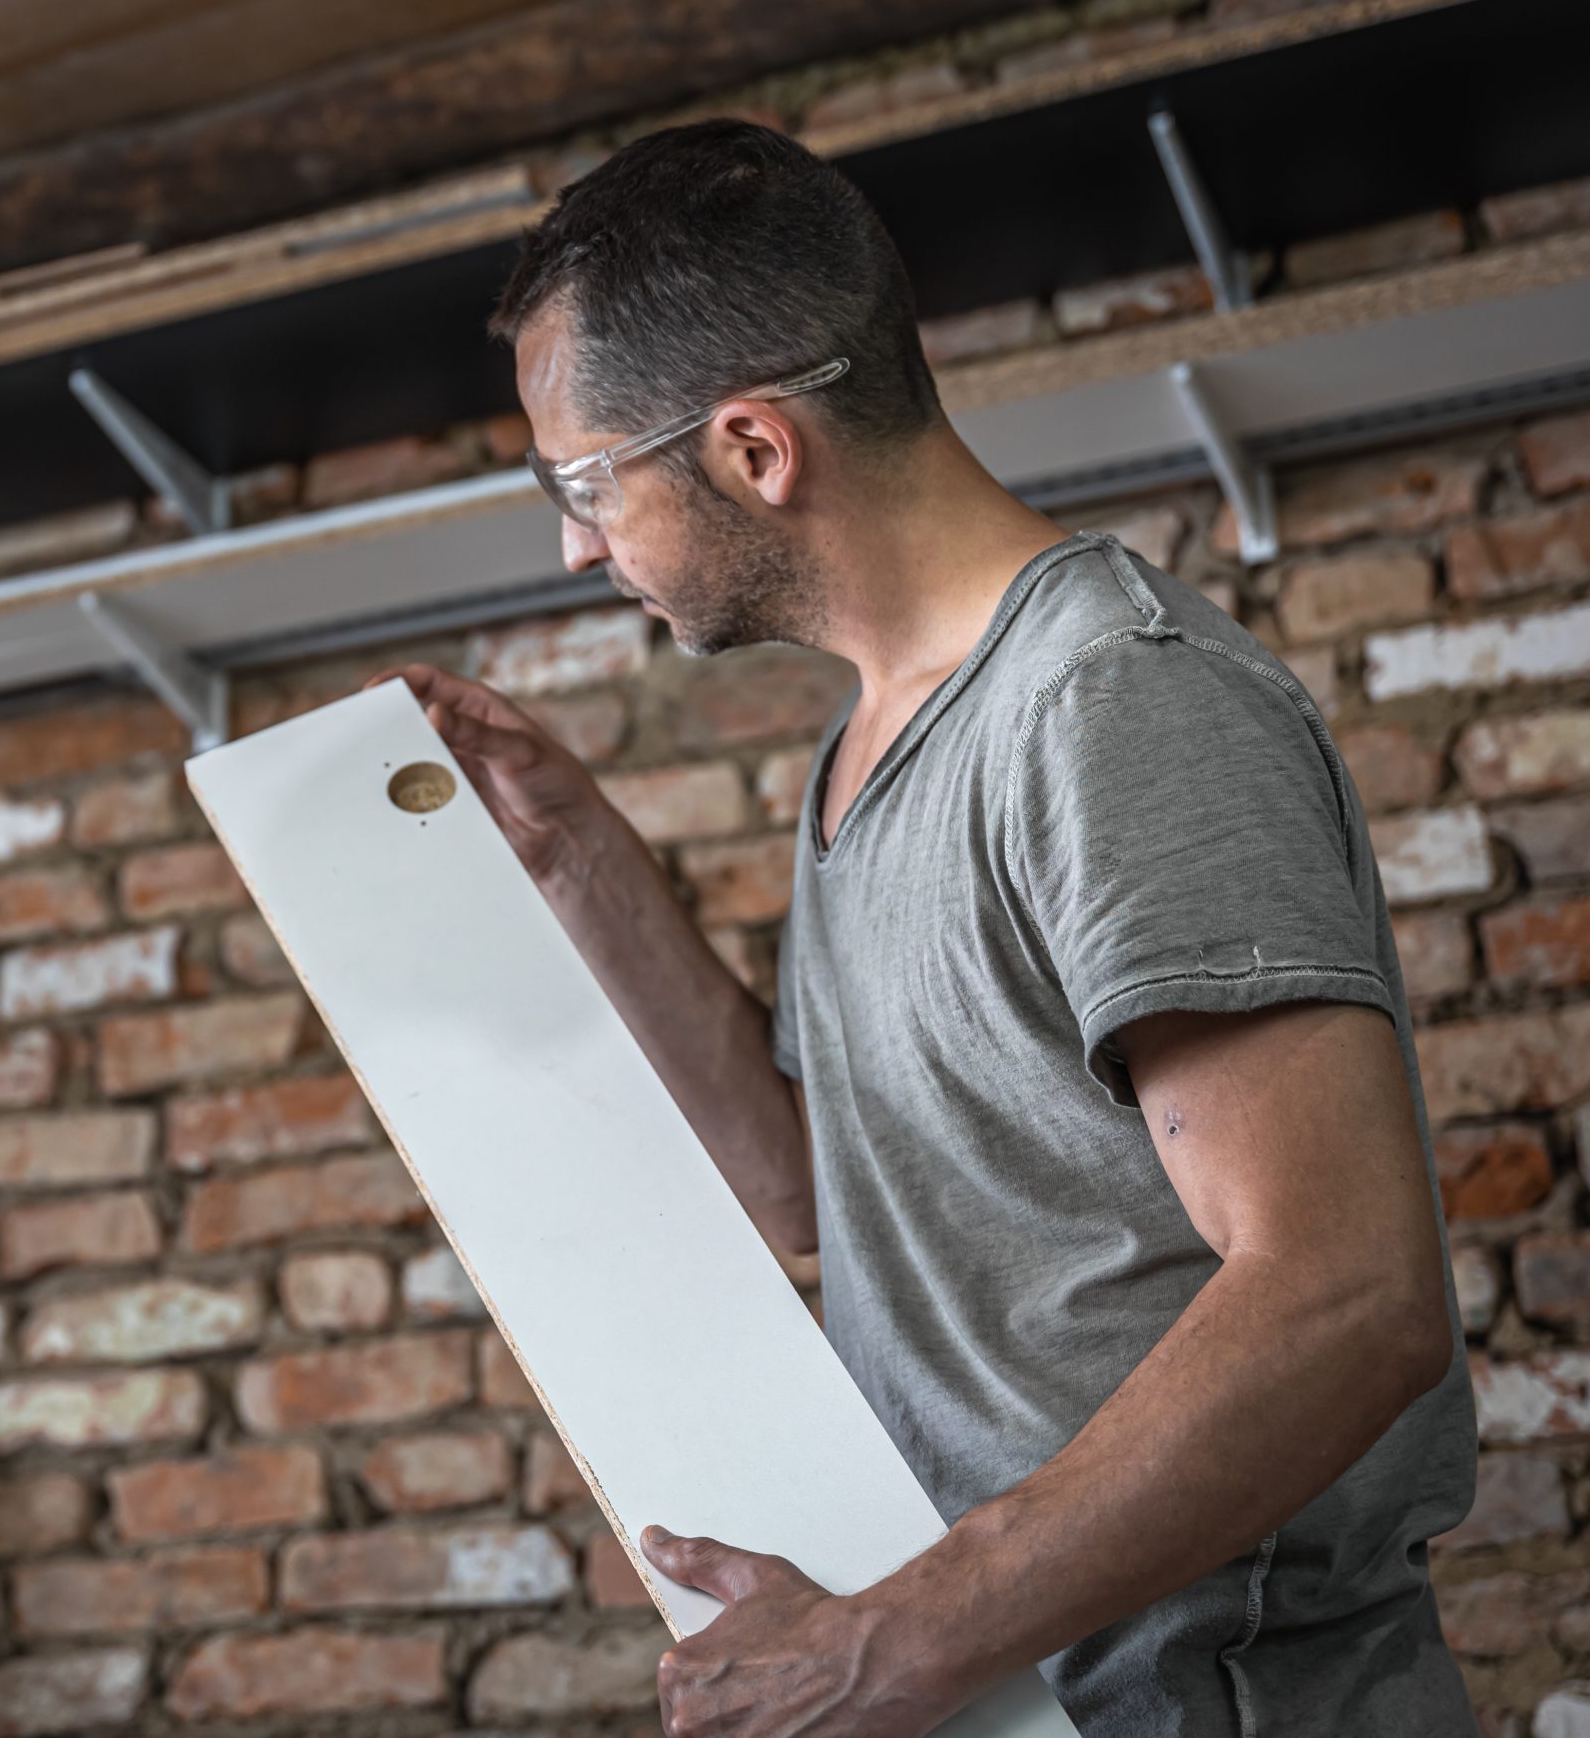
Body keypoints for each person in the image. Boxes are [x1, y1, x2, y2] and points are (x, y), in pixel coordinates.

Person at [376, 120, 1476, 1737]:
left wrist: (882, 1645)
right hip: (1013, 1697)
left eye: (587, 481)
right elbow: (818, 1202)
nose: (574, 541)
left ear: (753, 449)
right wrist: (575, 859)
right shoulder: (872, 747)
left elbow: (1344, 1292)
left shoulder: (1113, 705)